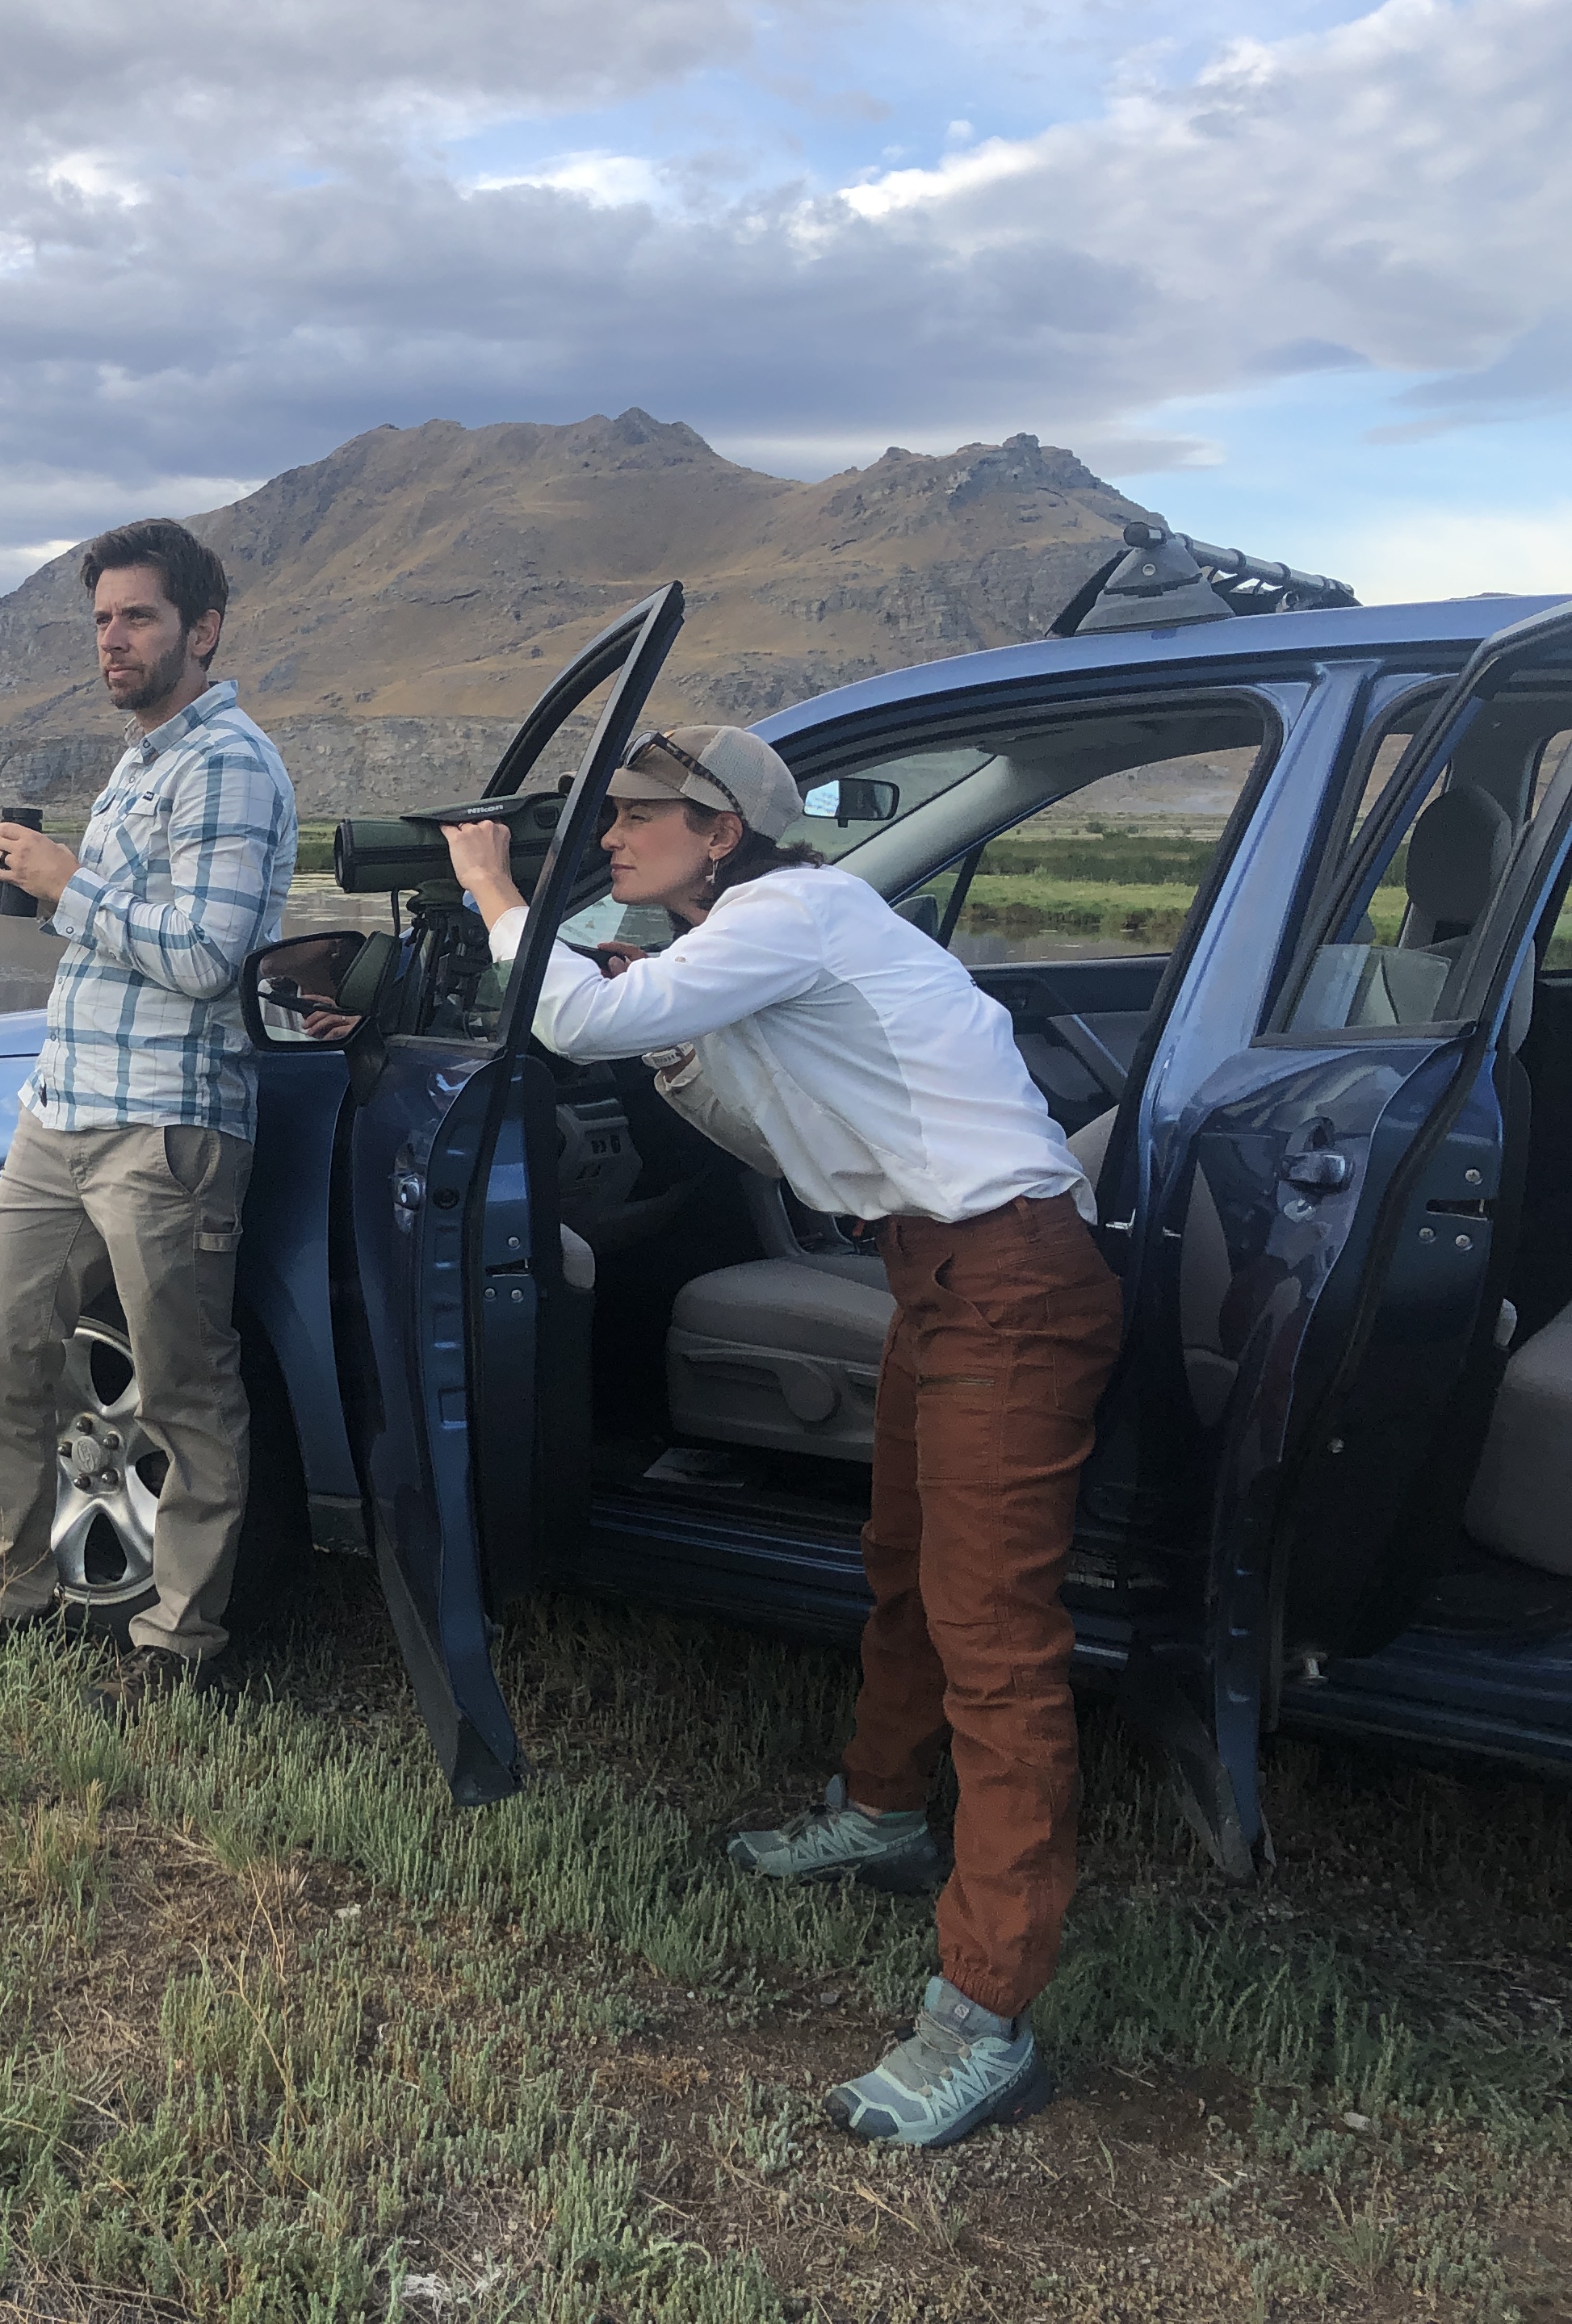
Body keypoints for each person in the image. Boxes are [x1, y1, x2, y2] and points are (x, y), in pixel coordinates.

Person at [442, 724, 1122, 2151]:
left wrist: (499, 895)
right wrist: (646, 1001)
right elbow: (761, 1116)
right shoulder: (762, 934)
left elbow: (577, 1027)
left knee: (996, 1646)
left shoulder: (795, 910)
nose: (612, 837)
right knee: (901, 1567)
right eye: (607, 818)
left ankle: (984, 2019)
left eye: (637, 816)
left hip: (1005, 1282)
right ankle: (879, 1814)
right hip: (942, 1270)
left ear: (723, 834)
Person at [0, 517, 299, 1704]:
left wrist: (67, 884)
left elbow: (208, 957)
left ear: (201, 631)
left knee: (185, 1391)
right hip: (63, 1111)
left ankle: (179, 1646)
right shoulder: (143, 759)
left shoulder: (230, 765)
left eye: (137, 617)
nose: (113, 640)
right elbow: (117, 934)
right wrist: (44, 890)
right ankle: (6, 1595)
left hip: (167, 1127)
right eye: (101, 620)